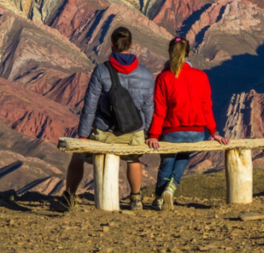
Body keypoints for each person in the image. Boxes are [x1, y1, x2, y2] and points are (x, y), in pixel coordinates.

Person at [60, 26, 155, 211]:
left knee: (77, 156)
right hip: (134, 134)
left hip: (104, 133)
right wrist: (147, 132)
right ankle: (136, 198)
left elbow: (90, 106)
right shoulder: (146, 74)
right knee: (133, 159)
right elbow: (148, 107)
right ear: (131, 45)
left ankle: (68, 196)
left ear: (112, 44)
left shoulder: (101, 71)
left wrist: (83, 136)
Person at [146, 37, 229, 211]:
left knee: (167, 162)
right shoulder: (201, 76)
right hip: (196, 133)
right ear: (189, 53)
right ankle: (172, 186)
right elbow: (206, 107)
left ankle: (159, 198)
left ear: (170, 53)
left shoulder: (163, 77)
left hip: (171, 132)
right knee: (183, 155)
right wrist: (214, 132)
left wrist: (153, 135)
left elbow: (160, 111)